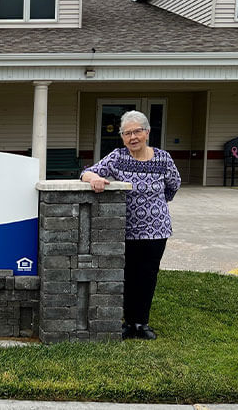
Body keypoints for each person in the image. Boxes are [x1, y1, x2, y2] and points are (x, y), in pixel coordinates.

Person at [80, 110, 180, 340]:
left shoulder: (163, 159)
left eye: (137, 132)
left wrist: (156, 205)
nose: (133, 137)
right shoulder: (117, 157)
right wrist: (95, 179)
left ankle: (141, 323)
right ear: (122, 137)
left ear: (147, 132)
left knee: (148, 275)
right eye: (127, 133)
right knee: (127, 275)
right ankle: (128, 322)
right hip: (125, 229)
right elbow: (86, 172)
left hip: (156, 230)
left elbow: (173, 185)